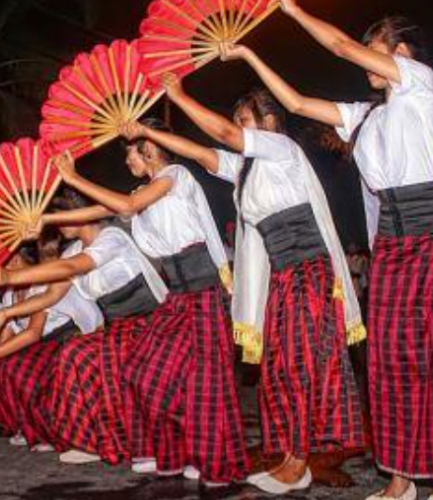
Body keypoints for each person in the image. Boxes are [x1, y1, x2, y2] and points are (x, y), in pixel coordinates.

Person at [230, 2, 433, 499]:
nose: (363, 58)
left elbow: (340, 46)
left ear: (401, 53)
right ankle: (400, 481)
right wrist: (248, 55)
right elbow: (300, 104)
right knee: (391, 367)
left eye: (375, 49)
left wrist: (289, 9)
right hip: (393, 249)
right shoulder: (363, 117)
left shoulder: (418, 82)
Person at [149, 72, 366, 493]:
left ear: (267, 122)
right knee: (279, 370)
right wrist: (144, 128)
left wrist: (177, 94)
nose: (238, 128)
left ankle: (298, 462)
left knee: (300, 366)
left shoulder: (280, 148)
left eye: (244, 119)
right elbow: (202, 153)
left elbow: (226, 135)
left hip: (308, 271)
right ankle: (291, 457)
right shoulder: (248, 170)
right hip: (284, 279)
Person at [38, 119, 248, 485]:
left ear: (147, 149)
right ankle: (184, 447)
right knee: (142, 373)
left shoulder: (176, 175)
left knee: (205, 384)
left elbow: (126, 203)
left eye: (130, 154)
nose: (127, 163)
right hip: (179, 297)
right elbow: (100, 211)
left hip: (204, 290)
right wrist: (45, 218)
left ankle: (214, 459)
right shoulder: (146, 191)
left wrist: (74, 179)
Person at [0, 190, 168, 467]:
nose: (59, 224)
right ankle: (92, 440)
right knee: (75, 353)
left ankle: (142, 445)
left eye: (62, 217)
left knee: (85, 354)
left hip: (150, 322)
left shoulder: (112, 238)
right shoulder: (73, 250)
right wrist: (7, 312)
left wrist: (12, 275)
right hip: (117, 330)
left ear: (77, 211)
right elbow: (48, 297)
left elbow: (70, 266)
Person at [0, 238, 103, 445]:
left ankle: (51, 433)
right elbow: (1, 346)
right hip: (48, 343)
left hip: (76, 336)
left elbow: (32, 333)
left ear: (15, 261)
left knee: (17, 367)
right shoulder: (11, 294)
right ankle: (33, 429)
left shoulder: (40, 283)